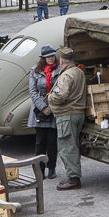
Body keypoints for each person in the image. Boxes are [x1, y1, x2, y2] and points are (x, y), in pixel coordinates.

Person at [48, 46, 87, 191]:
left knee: (67, 146)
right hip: (78, 112)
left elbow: (60, 95)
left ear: (61, 60)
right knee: (73, 144)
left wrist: (50, 97)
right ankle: (73, 176)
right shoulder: (79, 72)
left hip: (66, 114)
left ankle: (73, 178)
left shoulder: (65, 75)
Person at [27, 45, 60, 182]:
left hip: (53, 108)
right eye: (48, 57)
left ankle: (52, 167)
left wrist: (51, 107)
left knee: (52, 142)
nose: (51, 59)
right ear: (43, 58)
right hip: (39, 111)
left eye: (52, 56)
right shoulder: (34, 71)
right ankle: (40, 169)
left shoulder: (60, 70)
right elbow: (32, 91)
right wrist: (43, 107)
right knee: (40, 142)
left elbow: (60, 89)